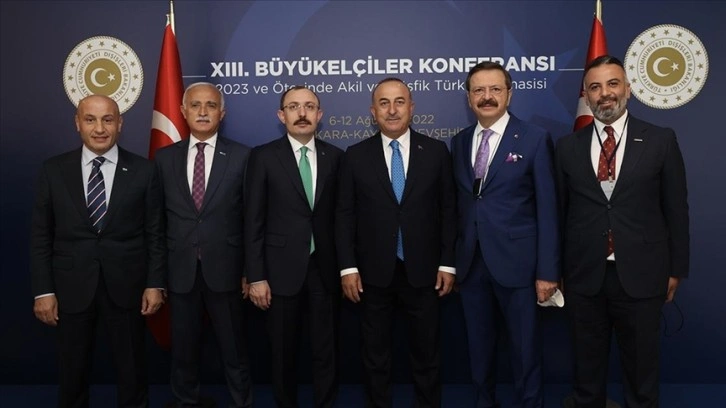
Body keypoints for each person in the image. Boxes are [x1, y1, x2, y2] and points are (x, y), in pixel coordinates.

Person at [555, 55, 689, 408]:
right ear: (586, 96)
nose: (605, 93)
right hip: (584, 276)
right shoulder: (567, 147)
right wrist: (557, 271)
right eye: (595, 87)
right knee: (586, 375)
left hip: (643, 274)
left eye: (612, 84)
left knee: (642, 374)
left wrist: (676, 269)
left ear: (628, 89)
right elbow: (559, 213)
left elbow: (676, 209)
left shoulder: (660, 140)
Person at [30, 95, 165, 407]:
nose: (100, 128)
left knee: (132, 370)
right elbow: (40, 237)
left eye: (108, 119)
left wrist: (155, 283)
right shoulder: (53, 170)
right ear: (77, 123)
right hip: (71, 286)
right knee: (72, 372)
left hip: (128, 286)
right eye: (90, 119)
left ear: (120, 123)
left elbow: (156, 234)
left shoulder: (145, 171)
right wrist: (43, 291)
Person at [336, 77, 457, 407]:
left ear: (412, 108)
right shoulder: (355, 156)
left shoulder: (436, 152)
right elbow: (344, 215)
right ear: (373, 111)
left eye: (399, 102)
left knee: (427, 353)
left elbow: (448, 211)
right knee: (375, 355)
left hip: (425, 272)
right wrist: (348, 268)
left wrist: (448, 263)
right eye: (384, 103)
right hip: (372, 274)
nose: (392, 110)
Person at [450, 61, 560, 408]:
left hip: (519, 266)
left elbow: (548, 208)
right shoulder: (459, 142)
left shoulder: (534, 138)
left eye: (495, 89)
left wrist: (548, 271)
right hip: (471, 265)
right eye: (479, 90)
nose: (487, 97)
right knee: (478, 351)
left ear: (509, 94)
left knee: (525, 351)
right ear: (469, 98)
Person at [155, 82, 253, 408]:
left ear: (222, 113)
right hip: (180, 270)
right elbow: (157, 222)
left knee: (234, 349)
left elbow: (251, 220)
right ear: (183, 112)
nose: (202, 111)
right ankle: (185, 402)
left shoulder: (242, 157)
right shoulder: (164, 159)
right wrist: (157, 278)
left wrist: (250, 271)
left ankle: (242, 402)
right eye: (195, 105)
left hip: (227, 271)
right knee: (183, 350)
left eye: (211, 105)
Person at [245, 86, 342, 407]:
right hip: (279, 272)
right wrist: (256, 276)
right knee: (283, 353)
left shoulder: (336, 157)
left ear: (320, 114)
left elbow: (343, 219)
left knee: (326, 351)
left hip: (325, 270)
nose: (302, 113)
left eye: (309, 107)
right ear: (281, 115)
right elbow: (253, 220)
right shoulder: (263, 157)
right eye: (294, 107)